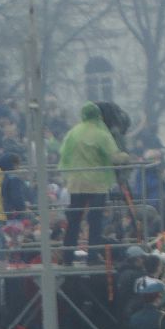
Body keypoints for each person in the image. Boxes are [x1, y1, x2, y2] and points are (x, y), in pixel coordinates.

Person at [58, 101, 120, 259]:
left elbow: (64, 154)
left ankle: (67, 257)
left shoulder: (73, 132)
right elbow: (114, 155)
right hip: (96, 184)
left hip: (76, 183)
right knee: (95, 221)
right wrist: (126, 158)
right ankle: (93, 256)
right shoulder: (101, 133)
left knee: (74, 220)